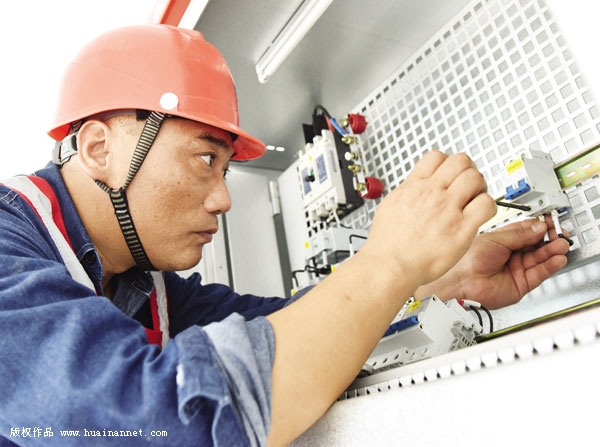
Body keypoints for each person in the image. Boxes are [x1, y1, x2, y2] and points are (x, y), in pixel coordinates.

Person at [0, 24, 570, 447]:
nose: (223, 199)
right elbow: (159, 421)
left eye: (226, 171)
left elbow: (294, 326)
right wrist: (389, 262)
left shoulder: (149, 288)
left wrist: (439, 279)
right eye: (205, 159)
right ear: (100, 148)